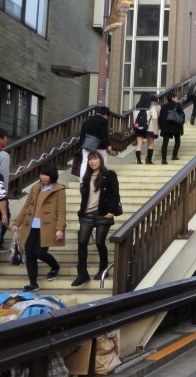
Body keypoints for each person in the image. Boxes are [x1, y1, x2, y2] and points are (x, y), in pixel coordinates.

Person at [11, 163, 66, 292]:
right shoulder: (36, 187)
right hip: (31, 225)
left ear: (52, 175)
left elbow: (61, 211)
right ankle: (33, 283)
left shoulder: (59, 190)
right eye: (42, 174)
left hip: (47, 227)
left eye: (46, 175)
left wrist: (60, 228)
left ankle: (55, 266)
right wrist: (16, 223)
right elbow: (26, 206)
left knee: (40, 252)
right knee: (30, 254)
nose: (43, 177)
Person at [73, 152, 121, 286]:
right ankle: (82, 273)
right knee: (82, 242)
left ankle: (103, 268)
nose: (92, 162)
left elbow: (115, 193)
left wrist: (111, 211)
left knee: (100, 242)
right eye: (90, 159)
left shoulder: (110, 174)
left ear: (101, 160)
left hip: (102, 213)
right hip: (87, 214)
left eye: (95, 159)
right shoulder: (86, 176)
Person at [78, 106, 114, 178]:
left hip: (87, 146)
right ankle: (99, 179)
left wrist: (81, 146)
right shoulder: (104, 121)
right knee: (102, 161)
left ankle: (82, 182)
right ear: (106, 114)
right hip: (100, 146)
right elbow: (104, 135)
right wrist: (107, 145)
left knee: (85, 163)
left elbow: (82, 135)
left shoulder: (87, 121)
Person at [133, 93, 160, 164]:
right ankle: (149, 160)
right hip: (149, 128)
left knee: (139, 144)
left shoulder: (136, 106)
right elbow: (155, 117)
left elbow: (134, 118)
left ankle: (138, 160)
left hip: (138, 127)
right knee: (150, 144)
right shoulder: (150, 106)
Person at [159, 94, 185, 164]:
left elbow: (160, 118)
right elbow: (182, 115)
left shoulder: (164, 106)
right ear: (173, 98)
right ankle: (174, 155)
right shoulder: (178, 105)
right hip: (176, 127)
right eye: (176, 97)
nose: (177, 99)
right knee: (177, 141)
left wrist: (162, 127)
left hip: (166, 127)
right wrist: (181, 123)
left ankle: (164, 159)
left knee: (165, 143)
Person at [0, 128, 11, 248]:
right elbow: (3, 178)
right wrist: (4, 195)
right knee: (5, 217)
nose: (6, 140)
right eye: (5, 137)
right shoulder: (3, 155)